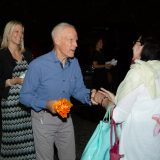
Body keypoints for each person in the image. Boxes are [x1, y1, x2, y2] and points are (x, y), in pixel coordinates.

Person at [20, 22, 91, 160]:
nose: (76, 44)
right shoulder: (38, 65)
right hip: (43, 119)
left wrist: (92, 96)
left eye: (76, 40)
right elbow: (24, 96)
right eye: (71, 40)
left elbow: (78, 90)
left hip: (66, 119)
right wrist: (46, 104)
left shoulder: (74, 63)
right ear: (57, 41)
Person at [92, 34, 160, 160]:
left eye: (136, 42)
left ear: (142, 47)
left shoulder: (138, 73)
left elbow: (118, 116)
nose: (133, 45)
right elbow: (143, 103)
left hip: (136, 149)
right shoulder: (156, 72)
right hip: (155, 147)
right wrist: (117, 99)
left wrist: (103, 100)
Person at [0, 20, 36, 159]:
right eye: (16, 31)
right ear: (8, 34)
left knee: (29, 140)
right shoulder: (2, 55)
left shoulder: (27, 54)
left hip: (27, 103)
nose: (20, 35)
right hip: (10, 106)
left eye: (21, 32)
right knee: (13, 140)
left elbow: (36, 75)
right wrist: (13, 81)